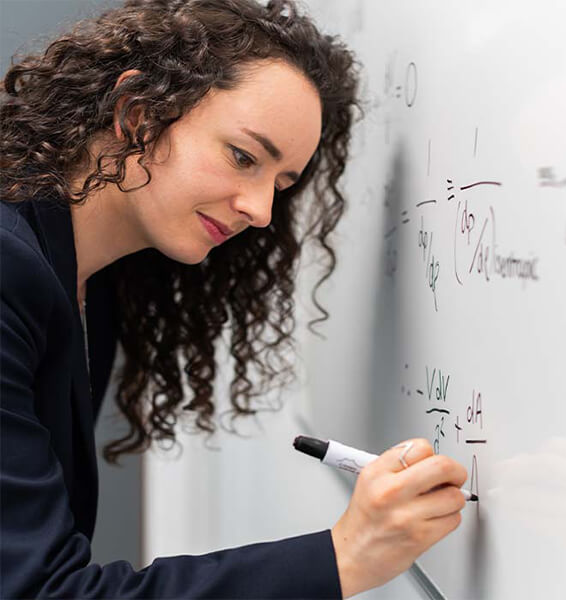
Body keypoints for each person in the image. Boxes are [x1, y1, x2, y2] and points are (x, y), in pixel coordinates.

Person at [0, 0, 468, 597]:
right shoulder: (11, 272)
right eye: (244, 157)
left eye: (280, 184)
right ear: (136, 114)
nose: (262, 210)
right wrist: (347, 554)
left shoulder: (95, 278)